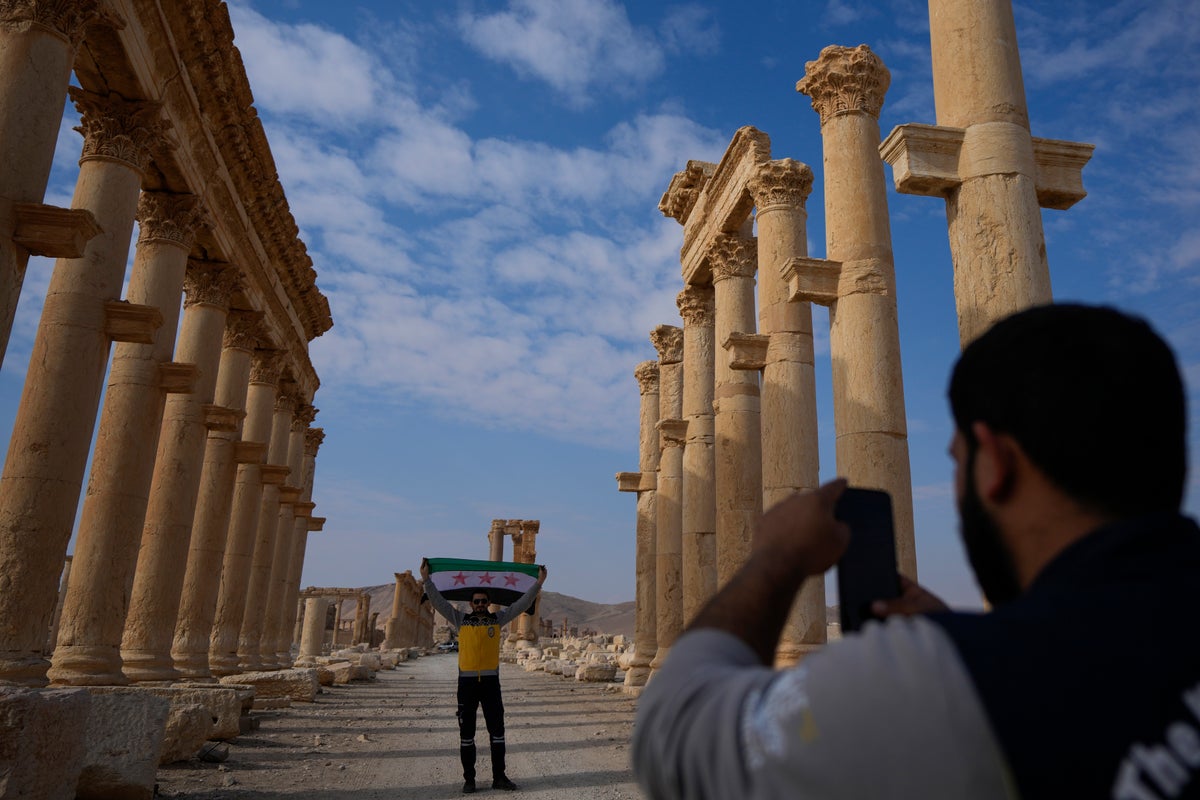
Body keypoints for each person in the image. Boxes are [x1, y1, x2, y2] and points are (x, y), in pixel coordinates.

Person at [632, 303, 1199, 799]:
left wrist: (775, 558)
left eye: (956, 461)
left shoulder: (948, 690)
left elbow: (675, 738)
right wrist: (967, 636)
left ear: (995, 464)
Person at [421, 558, 547, 794]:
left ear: (489, 603)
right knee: (466, 735)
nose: (480, 604)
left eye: (483, 601)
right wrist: (427, 580)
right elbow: (438, 603)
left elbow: (521, 605)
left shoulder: (497, 620)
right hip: (466, 685)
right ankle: (469, 780)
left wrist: (538, 584)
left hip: (490, 684)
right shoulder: (461, 620)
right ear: (471, 603)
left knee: (497, 733)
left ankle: (499, 777)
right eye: (476, 601)